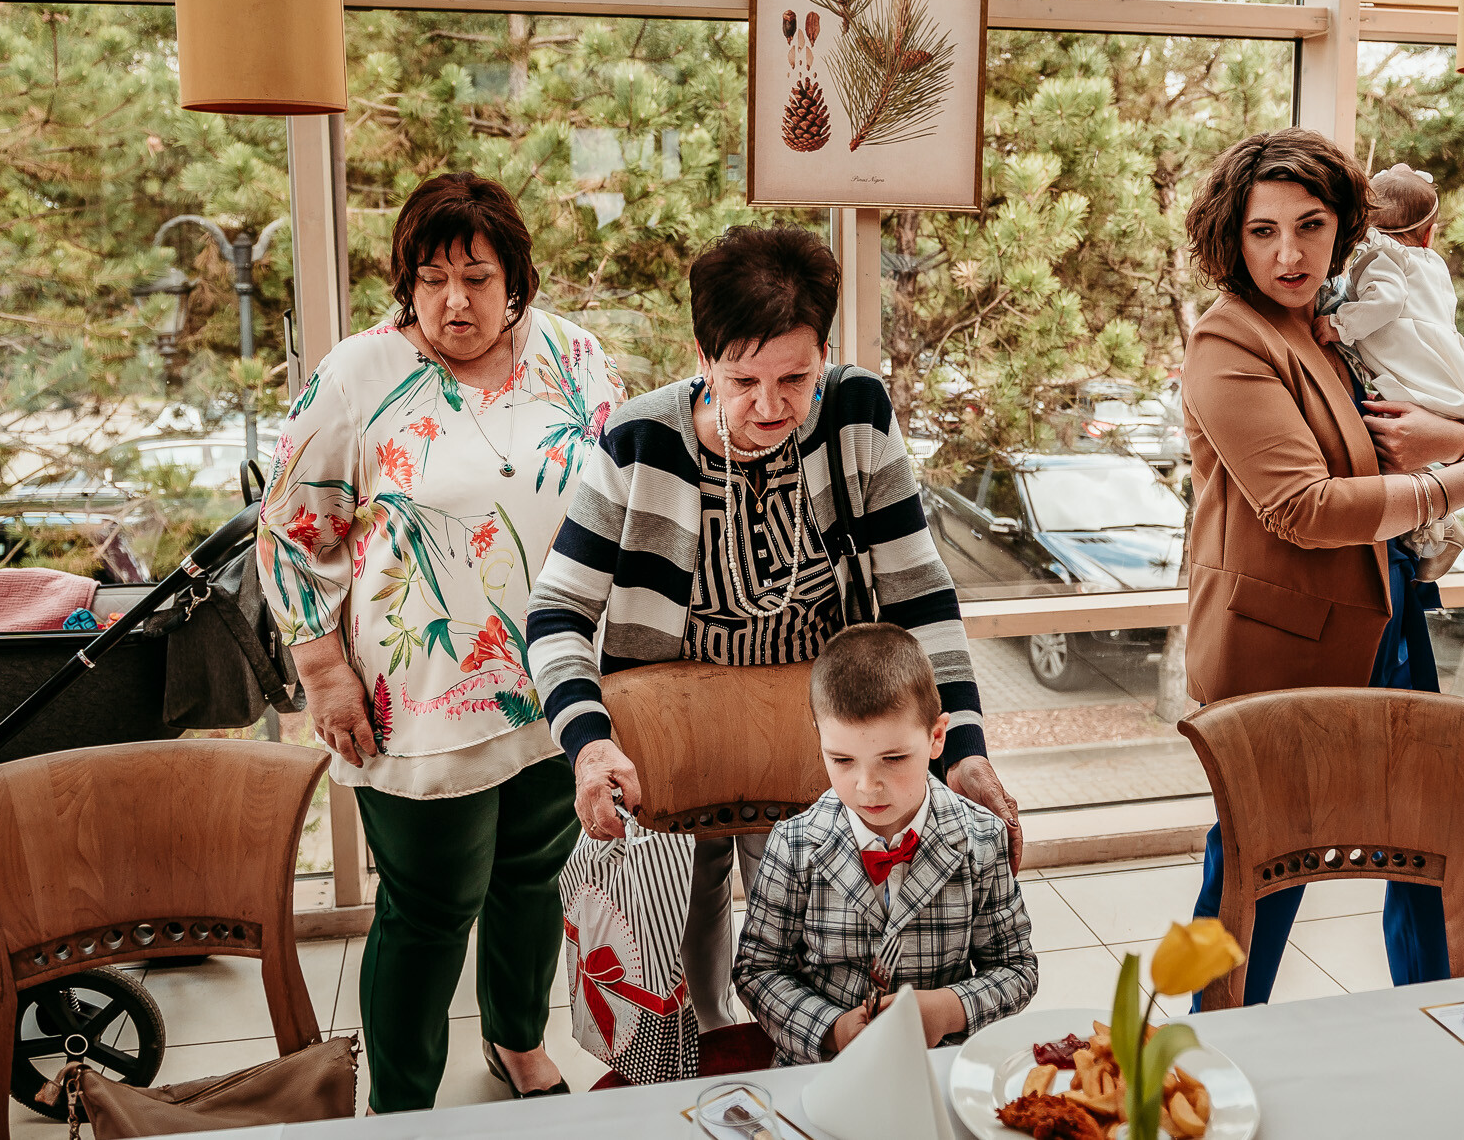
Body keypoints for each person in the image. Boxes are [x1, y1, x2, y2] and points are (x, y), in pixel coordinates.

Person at [526, 223, 1021, 1037]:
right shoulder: (641, 441)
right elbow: (557, 611)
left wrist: (963, 747)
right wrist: (589, 744)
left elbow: (918, 593)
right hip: (673, 745)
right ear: (702, 356)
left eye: (795, 377)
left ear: (825, 352)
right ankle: (705, 1057)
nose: (769, 406)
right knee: (682, 949)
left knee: (816, 949)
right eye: (741, 379)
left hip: (811, 739)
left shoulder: (856, 414)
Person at [258, 171, 623, 1110]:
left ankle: (517, 1039)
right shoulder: (359, 375)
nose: (453, 301)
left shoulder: (573, 355)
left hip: (554, 679)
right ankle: (401, 1104)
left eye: (476, 277)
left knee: (533, 875)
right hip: (417, 696)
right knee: (428, 906)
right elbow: (290, 527)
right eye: (431, 278)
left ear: (516, 280)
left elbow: (618, 491)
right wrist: (322, 669)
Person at [1179, 129, 1464, 1004]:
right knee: (1256, 874)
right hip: (1284, 650)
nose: (1290, 253)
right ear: (1233, 236)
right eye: (1264, 231)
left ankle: (1446, 1023)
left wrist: (1455, 436)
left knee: (1434, 849)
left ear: (1345, 226)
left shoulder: (1337, 321)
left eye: (1310, 225)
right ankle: (1203, 1048)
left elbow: (1410, 424)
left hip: (1390, 616)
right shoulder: (1228, 341)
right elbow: (1304, 508)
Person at [732, 622, 1036, 1065]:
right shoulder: (793, 845)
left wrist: (946, 1010)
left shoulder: (982, 838)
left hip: (939, 1065)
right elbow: (757, 969)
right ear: (819, 737)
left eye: (893, 759)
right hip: (825, 1069)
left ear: (936, 737)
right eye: (842, 759)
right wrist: (832, 1029)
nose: (867, 786)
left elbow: (1016, 968)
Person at [1315, 162, 1464, 578]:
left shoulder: (1382, 257)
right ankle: (1441, 526)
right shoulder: (1431, 262)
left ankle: (1438, 528)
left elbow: (1387, 302)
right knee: (1407, 448)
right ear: (1429, 234)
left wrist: (1339, 324)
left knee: (1393, 447)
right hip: (1438, 363)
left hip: (1404, 362)